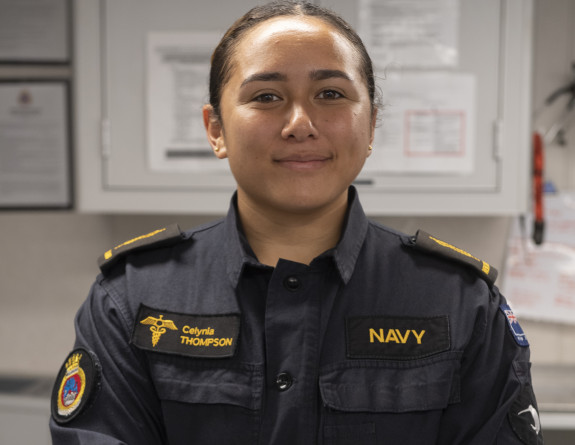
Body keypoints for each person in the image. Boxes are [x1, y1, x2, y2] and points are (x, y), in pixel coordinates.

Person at [50, 1, 544, 444]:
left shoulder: (459, 301)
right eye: (266, 97)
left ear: (371, 125)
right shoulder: (132, 296)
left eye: (330, 93)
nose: (300, 123)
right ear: (215, 129)